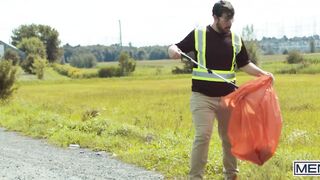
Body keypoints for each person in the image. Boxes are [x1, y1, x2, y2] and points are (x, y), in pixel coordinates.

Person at [168, 0, 274, 179]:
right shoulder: (199, 34)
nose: (229, 23)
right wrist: (172, 50)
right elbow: (175, 47)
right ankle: (195, 177)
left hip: (228, 98)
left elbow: (244, 64)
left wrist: (263, 74)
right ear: (215, 17)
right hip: (202, 97)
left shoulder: (235, 39)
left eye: (232, 19)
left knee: (230, 139)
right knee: (203, 136)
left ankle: (231, 175)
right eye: (226, 19)